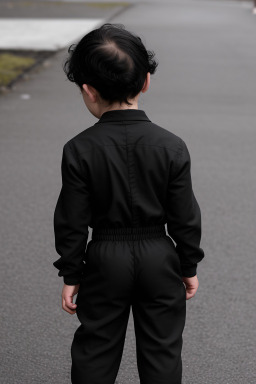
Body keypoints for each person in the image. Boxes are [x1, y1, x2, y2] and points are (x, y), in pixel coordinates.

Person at [53, 23, 205, 384]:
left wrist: (72, 272)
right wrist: (188, 264)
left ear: (88, 91)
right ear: (145, 82)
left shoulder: (79, 149)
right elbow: (185, 215)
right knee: (162, 350)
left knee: (96, 348)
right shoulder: (171, 146)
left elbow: (71, 220)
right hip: (159, 255)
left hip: (105, 258)